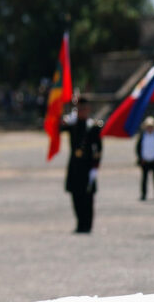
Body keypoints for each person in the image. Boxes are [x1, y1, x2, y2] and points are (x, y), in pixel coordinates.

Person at [60, 98, 102, 233]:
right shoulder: (72, 125)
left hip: (88, 167)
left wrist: (95, 168)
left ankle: (87, 225)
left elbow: (99, 149)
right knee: (76, 197)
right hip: (75, 167)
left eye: (84, 109)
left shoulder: (93, 127)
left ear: (88, 110)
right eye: (79, 109)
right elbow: (57, 128)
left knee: (88, 199)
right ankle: (79, 224)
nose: (82, 112)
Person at [136, 116, 154, 201]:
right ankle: (144, 194)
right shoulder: (142, 136)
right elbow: (138, 148)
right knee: (144, 179)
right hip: (145, 161)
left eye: (151, 126)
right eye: (148, 126)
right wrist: (140, 158)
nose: (149, 128)